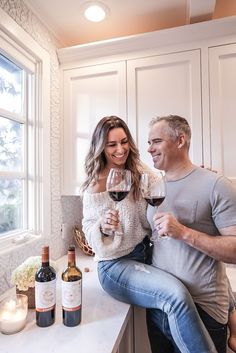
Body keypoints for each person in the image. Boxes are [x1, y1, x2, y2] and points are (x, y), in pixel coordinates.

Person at [82, 115, 217, 353]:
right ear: (101, 147)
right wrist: (102, 227)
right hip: (115, 266)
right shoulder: (96, 184)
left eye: (124, 142)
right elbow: (89, 231)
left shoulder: (139, 171)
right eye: (112, 145)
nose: (120, 149)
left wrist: (198, 176)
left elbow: (170, 182)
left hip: (145, 256)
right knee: (176, 296)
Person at [146, 114, 236, 353]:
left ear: (180, 140)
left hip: (202, 310)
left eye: (156, 141)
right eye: (148, 143)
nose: (149, 149)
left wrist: (184, 232)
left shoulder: (216, 185)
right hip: (159, 306)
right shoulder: (153, 187)